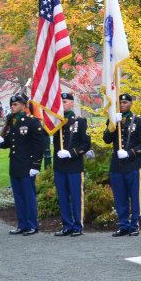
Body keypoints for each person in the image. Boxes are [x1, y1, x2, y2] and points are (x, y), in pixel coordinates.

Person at [0, 94, 45, 235]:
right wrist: (0, 142)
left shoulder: (32, 122)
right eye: (12, 104)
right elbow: (10, 142)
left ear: (24, 105)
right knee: (19, 197)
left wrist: (36, 165)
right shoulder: (13, 122)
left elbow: (39, 146)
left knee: (29, 197)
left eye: (15, 104)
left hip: (28, 166)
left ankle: (32, 225)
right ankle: (22, 225)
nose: (12, 106)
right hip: (15, 165)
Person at [103, 93, 141, 237]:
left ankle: (134, 224)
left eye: (125, 102)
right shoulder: (113, 119)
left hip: (133, 164)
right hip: (117, 165)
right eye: (120, 103)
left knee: (134, 196)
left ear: (130, 103)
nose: (122, 105)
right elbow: (106, 139)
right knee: (120, 196)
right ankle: (123, 224)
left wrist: (130, 153)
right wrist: (112, 126)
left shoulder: (138, 121)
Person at [51, 93, 91, 237]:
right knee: (62, 197)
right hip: (60, 166)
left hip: (74, 165)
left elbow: (86, 144)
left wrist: (71, 153)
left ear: (72, 104)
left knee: (75, 197)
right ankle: (66, 225)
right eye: (61, 102)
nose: (63, 104)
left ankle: (77, 226)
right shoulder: (56, 122)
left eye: (66, 102)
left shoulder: (80, 122)